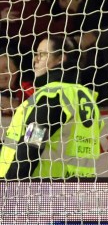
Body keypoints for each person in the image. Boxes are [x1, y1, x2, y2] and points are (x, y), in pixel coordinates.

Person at [0, 35, 100, 180]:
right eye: (36, 54)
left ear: (60, 59)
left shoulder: (51, 96)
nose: (35, 59)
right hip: (78, 186)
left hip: (41, 188)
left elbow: (31, 145)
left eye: (42, 54)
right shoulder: (82, 96)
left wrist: (10, 184)